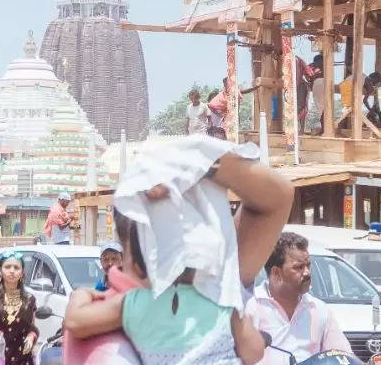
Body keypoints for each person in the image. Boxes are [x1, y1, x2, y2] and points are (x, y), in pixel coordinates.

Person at [63, 141, 292, 364]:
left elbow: (75, 320)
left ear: (130, 259)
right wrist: (195, 161)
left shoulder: (128, 304)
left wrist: (80, 296)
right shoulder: (223, 295)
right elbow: (254, 352)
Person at [245, 232, 352, 364]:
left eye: (308, 265)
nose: (307, 272)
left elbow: (342, 356)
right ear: (276, 273)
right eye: (298, 267)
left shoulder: (319, 309)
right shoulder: (249, 307)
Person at [0, 253, 39, 365]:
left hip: (21, 357)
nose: (12, 271)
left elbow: (32, 327)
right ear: (0, 271)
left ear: (22, 273)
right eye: (7, 267)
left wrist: (31, 336)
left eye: (16, 267)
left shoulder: (29, 299)